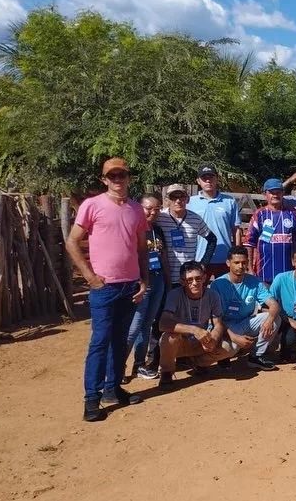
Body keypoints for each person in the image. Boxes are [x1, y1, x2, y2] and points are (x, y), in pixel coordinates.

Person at [66, 157, 148, 421]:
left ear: (128, 178)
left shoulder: (136, 210)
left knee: (119, 340)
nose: (117, 180)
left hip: (130, 286)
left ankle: (113, 388)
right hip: (104, 287)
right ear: (104, 180)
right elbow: (72, 242)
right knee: (100, 341)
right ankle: (92, 397)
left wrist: (144, 280)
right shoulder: (92, 205)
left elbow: (141, 248)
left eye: (121, 175)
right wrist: (89, 276)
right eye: (112, 176)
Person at [157, 262, 234, 391]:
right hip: (182, 342)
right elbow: (163, 323)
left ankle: (198, 363)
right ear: (182, 281)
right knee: (169, 337)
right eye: (189, 280)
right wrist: (194, 330)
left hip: (201, 342)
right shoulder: (174, 295)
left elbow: (218, 324)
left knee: (229, 348)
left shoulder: (212, 295)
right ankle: (166, 372)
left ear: (204, 278)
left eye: (198, 278)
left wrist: (214, 338)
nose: (195, 283)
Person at [210, 246, 283, 371]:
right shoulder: (217, 284)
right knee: (230, 349)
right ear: (228, 263)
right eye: (236, 263)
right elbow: (215, 319)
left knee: (276, 318)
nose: (240, 266)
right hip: (225, 326)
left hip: (245, 322)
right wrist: (234, 337)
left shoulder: (255, 282)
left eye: (244, 263)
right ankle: (223, 357)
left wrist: (269, 320)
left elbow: (274, 305)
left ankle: (256, 356)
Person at [124, 192, 169, 382]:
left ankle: (139, 364)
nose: (153, 212)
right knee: (134, 326)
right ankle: (118, 367)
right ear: (139, 208)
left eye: (157, 208)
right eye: (148, 208)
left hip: (158, 279)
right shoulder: (134, 230)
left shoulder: (157, 230)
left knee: (147, 325)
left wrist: (167, 281)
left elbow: (163, 256)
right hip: (142, 281)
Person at [245, 178, 296, 285]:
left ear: (283, 193)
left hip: (289, 274)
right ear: (265, 194)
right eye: (271, 192)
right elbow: (249, 244)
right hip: (264, 274)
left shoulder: (293, 213)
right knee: (266, 301)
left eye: (278, 192)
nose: (275, 195)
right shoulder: (259, 215)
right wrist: (250, 269)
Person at [189, 164, 242, 278]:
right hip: (200, 256)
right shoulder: (190, 203)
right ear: (198, 181)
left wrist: (237, 253)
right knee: (199, 291)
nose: (208, 181)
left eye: (211, 177)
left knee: (225, 291)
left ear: (217, 179)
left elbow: (236, 229)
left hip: (224, 256)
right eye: (204, 178)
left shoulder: (229, 201)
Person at [156, 183, 216, 283]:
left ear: (187, 199)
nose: (178, 201)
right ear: (167, 200)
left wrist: (203, 263)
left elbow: (212, 239)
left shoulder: (195, 219)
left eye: (182, 197)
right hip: (164, 277)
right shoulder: (160, 218)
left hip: (187, 278)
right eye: (173, 197)